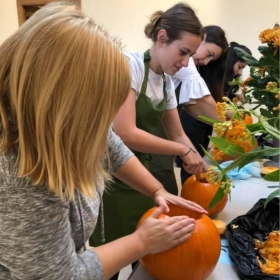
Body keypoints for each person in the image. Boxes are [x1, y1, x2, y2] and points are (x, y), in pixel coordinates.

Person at [0, 3, 207, 280]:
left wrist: (157, 189)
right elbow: (59, 275)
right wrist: (140, 242)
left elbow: (111, 145)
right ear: (57, 94)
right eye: (100, 103)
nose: (105, 118)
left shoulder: (72, 120)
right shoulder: (20, 174)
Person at [90, 3, 208, 279]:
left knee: (145, 256)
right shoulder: (129, 65)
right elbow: (125, 133)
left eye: (190, 56)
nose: (185, 62)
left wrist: (195, 156)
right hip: (117, 177)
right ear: (162, 37)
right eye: (183, 52)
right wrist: (182, 150)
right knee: (112, 257)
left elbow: (178, 133)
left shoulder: (166, 82)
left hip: (145, 177)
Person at [173, 25, 229, 185]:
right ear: (201, 37)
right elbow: (203, 100)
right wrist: (232, 130)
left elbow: (191, 106)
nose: (205, 62)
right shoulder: (186, 62)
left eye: (211, 60)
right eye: (209, 54)